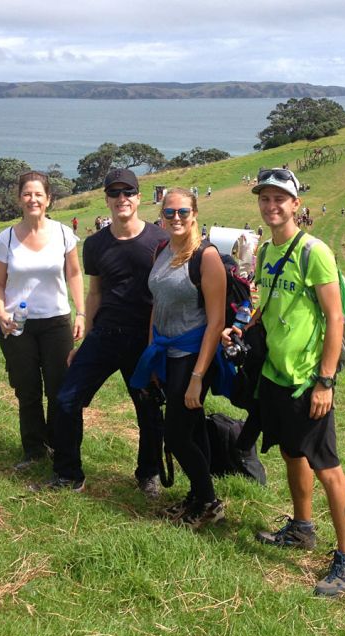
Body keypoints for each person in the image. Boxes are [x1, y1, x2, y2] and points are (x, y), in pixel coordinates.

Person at [222, 168, 345, 597]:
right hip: (275, 375)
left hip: (307, 381)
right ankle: (302, 528)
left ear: (296, 204)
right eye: (265, 199)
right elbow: (268, 307)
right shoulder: (267, 252)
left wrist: (325, 380)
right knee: (291, 452)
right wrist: (242, 331)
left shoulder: (314, 251)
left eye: (279, 199)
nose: (271, 206)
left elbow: (334, 318)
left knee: (327, 466)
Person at [35, 168, 167, 494]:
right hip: (105, 334)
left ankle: (147, 473)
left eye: (128, 193)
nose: (121, 199)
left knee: (149, 409)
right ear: (107, 200)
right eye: (114, 193)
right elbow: (95, 292)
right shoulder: (95, 244)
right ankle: (68, 474)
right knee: (67, 400)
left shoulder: (159, 240)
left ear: (138, 197)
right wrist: (86, 338)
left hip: (144, 339)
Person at [131, 187, 227, 527]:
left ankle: (210, 502)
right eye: (169, 212)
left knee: (175, 434)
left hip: (191, 355)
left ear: (195, 214)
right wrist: (151, 355)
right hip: (165, 352)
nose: (175, 218)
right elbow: (157, 304)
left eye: (182, 212)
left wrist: (198, 378)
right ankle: (198, 496)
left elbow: (216, 322)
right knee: (191, 429)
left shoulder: (207, 256)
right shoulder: (162, 249)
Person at [0, 171, 86, 470]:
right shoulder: (5, 238)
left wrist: (81, 312)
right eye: (27, 194)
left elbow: (74, 273)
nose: (33, 199)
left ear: (48, 200)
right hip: (17, 325)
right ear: (19, 198)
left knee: (59, 390)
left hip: (57, 321)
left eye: (38, 194)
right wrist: (1, 311)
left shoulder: (62, 234)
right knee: (27, 390)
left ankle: (61, 447)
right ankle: (33, 450)